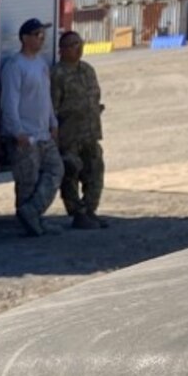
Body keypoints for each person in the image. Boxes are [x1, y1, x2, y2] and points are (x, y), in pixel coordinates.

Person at [0, 16, 63, 236]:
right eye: (37, 34)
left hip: (43, 133)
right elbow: (10, 102)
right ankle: (29, 223)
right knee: (28, 181)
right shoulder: (15, 66)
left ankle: (33, 212)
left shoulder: (41, 63)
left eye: (43, 34)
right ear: (24, 38)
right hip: (25, 136)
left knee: (56, 169)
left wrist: (53, 122)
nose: (41, 38)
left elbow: (46, 97)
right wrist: (17, 131)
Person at [52, 30, 108, 230]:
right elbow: (53, 108)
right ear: (63, 50)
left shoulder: (87, 70)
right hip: (69, 135)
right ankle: (77, 213)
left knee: (95, 171)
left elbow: (95, 97)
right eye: (74, 44)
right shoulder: (57, 74)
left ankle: (90, 210)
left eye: (80, 43)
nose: (79, 47)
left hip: (91, 133)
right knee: (70, 174)